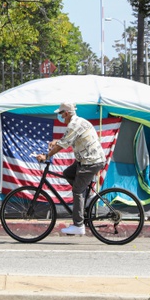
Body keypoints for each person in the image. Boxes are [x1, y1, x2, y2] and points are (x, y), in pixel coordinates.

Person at [35, 101, 106, 235]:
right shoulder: (79, 121)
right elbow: (66, 140)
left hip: (91, 162)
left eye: (60, 114)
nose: (60, 116)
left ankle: (78, 225)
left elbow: (63, 145)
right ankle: (84, 199)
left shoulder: (74, 124)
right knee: (68, 173)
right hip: (86, 160)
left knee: (77, 191)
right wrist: (57, 142)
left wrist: (46, 156)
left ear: (66, 113)